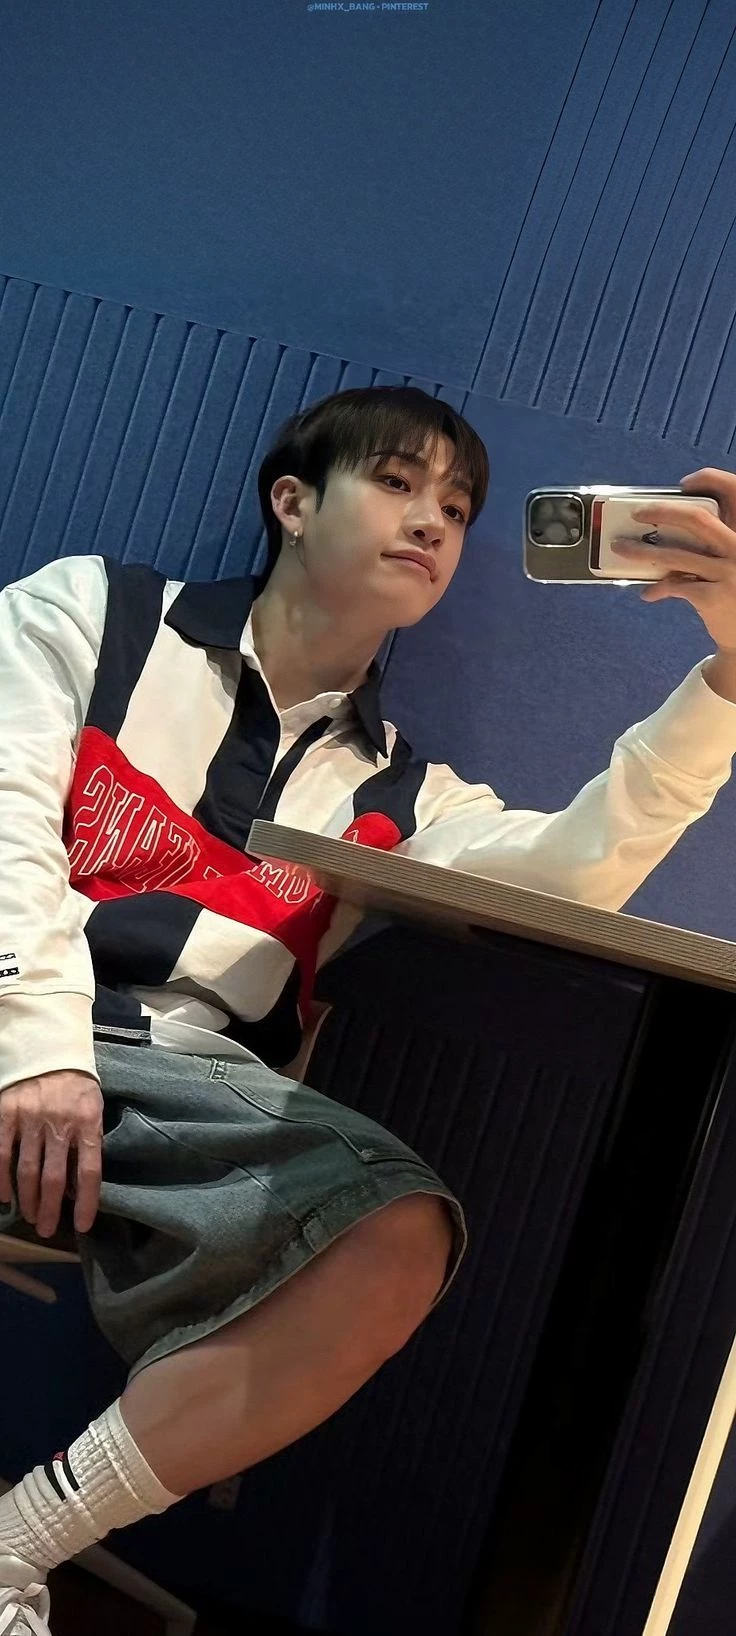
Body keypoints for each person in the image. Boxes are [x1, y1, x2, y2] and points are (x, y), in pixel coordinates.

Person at [2, 385, 736, 1632]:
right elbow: (5, 812)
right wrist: (37, 1046)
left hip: (175, 1099)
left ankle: (17, 1543)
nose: (432, 521)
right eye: (397, 482)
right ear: (292, 501)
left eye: (456, 506)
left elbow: (576, 872)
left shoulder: (405, 791)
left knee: (392, 1236)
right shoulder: (93, 613)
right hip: (27, 1017)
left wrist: (726, 674)